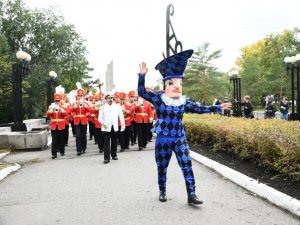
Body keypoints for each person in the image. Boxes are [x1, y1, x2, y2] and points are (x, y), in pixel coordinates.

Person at [137, 49, 231, 205]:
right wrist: (142, 76)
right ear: (166, 85)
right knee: (162, 166)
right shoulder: (159, 99)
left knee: (187, 165)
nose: (177, 86)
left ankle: (191, 194)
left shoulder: (183, 101)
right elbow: (141, 92)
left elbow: (200, 109)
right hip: (164, 139)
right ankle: (162, 190)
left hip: (180, 138)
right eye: (172, 83)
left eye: (180, 83)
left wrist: (217, 107)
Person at [98, 93, 125, 164]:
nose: (110, 99)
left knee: (114, 142)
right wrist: (102, 122)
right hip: (106, 127)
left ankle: (114, 155)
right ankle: (106, 158)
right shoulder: (102, 107)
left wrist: (122, 124)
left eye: (111, 98)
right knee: (106, 143)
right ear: (106, 99)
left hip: (114, 127)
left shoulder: (117, 106)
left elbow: (121, 116)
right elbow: (100, 117)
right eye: (108, 98)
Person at [70, 88, 90, 156]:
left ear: (83, 96)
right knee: (78, 135)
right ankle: (78, 150)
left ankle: (83, 148)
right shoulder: (74, 103)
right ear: (77, 96)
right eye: (79, 95)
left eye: (81, 95)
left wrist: (85, 105)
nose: (80, 97)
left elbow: (90, 110)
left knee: (83, 135)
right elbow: (70, 111)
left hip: (84, 120)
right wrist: (75, 106)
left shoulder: (86, 103)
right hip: (77, 121)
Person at [46, 93, 66, 159]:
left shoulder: (63, 106)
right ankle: (54, 154)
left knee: (61, 139)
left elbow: (66, 114)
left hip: (61, 124)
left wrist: (61, 110)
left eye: (58, 100)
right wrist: (51, 111)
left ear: (60, 100)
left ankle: (62, 151)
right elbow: (48, 115)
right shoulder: (51, 106)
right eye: (56, 100)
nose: (57, 102)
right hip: (53, 125)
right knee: (54, 140)